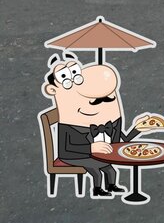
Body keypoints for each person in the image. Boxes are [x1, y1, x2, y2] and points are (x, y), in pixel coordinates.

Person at [41, 55, 157, 198]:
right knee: (96, 168)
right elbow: (66, 148)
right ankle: (97, 189)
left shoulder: (109, 122)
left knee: (110, 170)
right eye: (94, 100)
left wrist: (138, 128)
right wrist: (91, 148)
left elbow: (123, 140)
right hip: (73, 156)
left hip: (95, 152)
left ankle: (111, 186)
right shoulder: (68, 126)